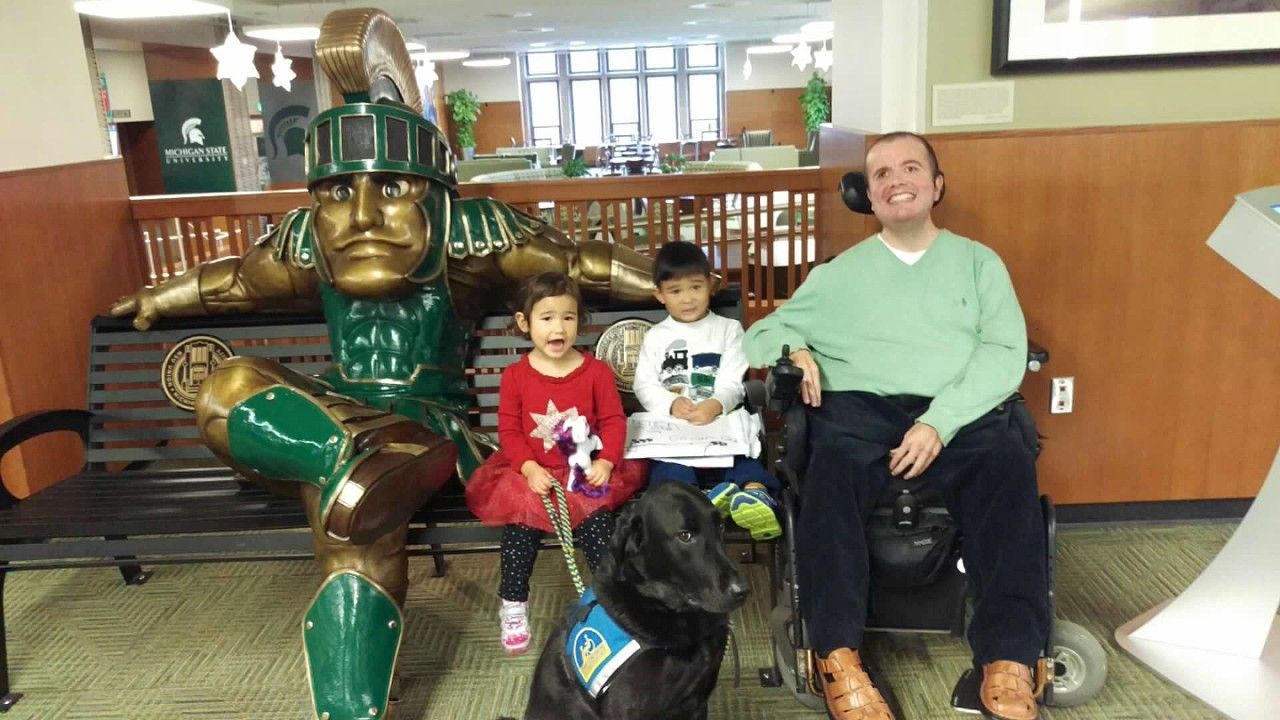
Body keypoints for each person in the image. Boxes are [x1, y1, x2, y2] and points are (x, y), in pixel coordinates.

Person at [106, 10, 656, 719]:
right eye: (338, 192)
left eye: (392, 189)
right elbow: (234, 281)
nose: (361, 213)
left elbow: (577, 266)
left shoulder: (467, 233)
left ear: (434, 195)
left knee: (353, 512)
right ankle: (350, 458)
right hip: (342, 427)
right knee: (228, 387)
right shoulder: (311, 242)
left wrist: (671, 284)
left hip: (427, 431)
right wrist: (160, 296)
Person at [744, 132, 1048, 720]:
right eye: (880, 174)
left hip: (957, 407)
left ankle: (1009, 655)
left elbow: (1004, 351)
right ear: (868, 194)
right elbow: (762, 331)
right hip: (860, 408)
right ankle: (836, 655)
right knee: (827, 473)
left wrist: (939, 422)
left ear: (936, 185)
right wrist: (795, 348)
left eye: (910, 168)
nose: (895, 181)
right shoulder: (839, 275)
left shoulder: (978, 263)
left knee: (1008, 467)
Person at [465, 272, 647, 655]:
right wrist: (529, 468)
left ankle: (613, 605)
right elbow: (509, 430)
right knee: (520, 535)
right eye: (546, 318)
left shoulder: (596, 372)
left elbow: (614, 421)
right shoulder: (515, 376)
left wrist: (608, 462)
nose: (558, 327)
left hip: (583, 470)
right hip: (530, 473)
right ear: (524, 322)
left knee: (600, 533)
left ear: (579, 320)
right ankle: (513, 604)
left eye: (568, 316)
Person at [632, 241, 782, 541]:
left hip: (720, 424)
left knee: (744, 464)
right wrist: (671, 403)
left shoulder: (728, 329)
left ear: (710, 285)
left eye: (695, 287)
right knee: (668, 474)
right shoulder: (656, 336)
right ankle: (699, 504)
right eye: (675, 291)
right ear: (660, 295)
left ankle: (754, 497)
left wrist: (715, 404)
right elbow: (644, 384)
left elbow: (733, 381)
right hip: (675, 433)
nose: (687, 298)